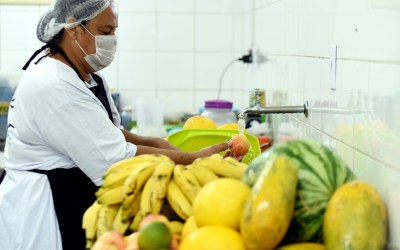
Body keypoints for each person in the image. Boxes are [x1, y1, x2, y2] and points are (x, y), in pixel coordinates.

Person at [0, 0, 232, 249]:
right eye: (106, 31)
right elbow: (114, 159)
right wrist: (193, 158)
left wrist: (153, 142)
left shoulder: (86, 75)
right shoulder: (55, 85)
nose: (113, 39)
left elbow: (109, 133)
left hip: (74, 193)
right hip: (47, 211)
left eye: (114, 31)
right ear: (74, 29)